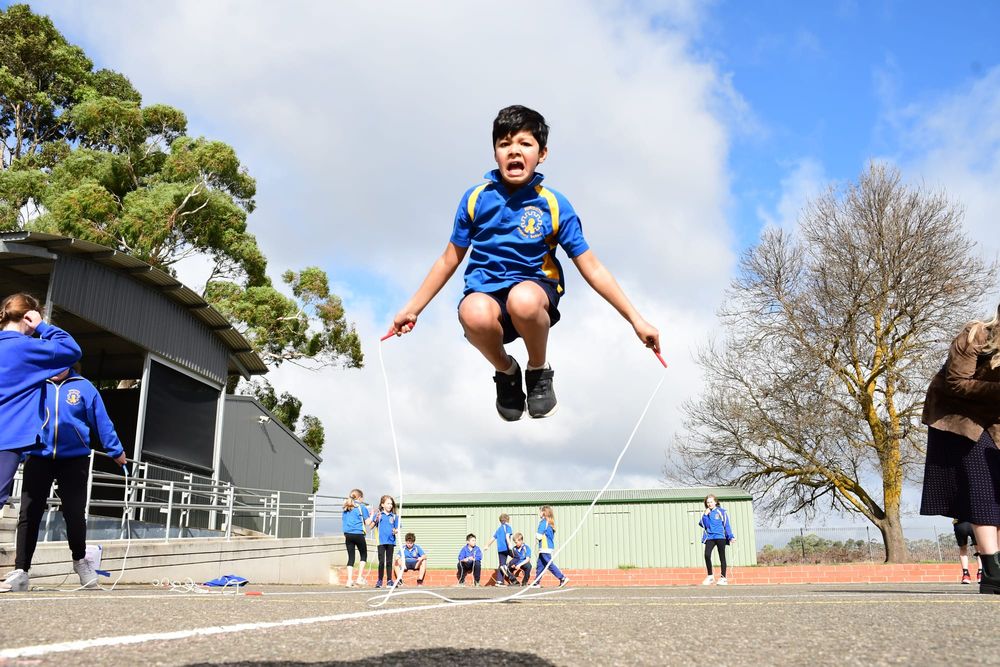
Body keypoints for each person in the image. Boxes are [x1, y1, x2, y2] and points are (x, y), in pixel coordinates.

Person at [390, 105, 660, 421]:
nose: (514, 151)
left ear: (542, 154)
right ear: (495, 153)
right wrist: (413, 308)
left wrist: (636, 320)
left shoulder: (554, 204)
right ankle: (506, 371)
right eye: (505, 144)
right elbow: (449, 258)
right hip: (487, 293)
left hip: (534, 291)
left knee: (523, 300)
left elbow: (593, 267)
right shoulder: (475, 199)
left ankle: (537, 369)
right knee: (473, 312)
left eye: (525, 144)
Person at [7, 366, 128, 592]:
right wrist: (17, 451)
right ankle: (21, 570)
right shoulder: (36, 384)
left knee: (74, 512)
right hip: (38, 456)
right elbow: (20, 415)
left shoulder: (84, 387)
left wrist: (115, 450)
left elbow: (101, 420)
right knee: (29, 513)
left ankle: (80, 561)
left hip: (74, 459)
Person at [0, 294, 82, 594]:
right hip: (7, 434)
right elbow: (71, 351)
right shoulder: (29, 347)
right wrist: (43, 327)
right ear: (28, 317)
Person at [920, 305, 1000, 595]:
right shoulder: (976, 334)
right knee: (983, 490)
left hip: (994, 423)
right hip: (959, 419)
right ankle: (992, 572)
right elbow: (956, 382)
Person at [698, 494, 735, 586]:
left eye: (711, 502)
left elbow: (726, 525)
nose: (709, 504)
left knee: (722, 557)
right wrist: (705, 515)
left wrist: (730, 536)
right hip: (710, 537)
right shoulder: (706, 513)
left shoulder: (721, 512)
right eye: (708, 502)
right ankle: (710, 576)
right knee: (707, 555)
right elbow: (704, 524)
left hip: (720, 537)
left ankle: (723, 578)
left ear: (715, 502)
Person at [341, 489, 372, 587]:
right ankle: (359, 578)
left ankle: (349, 580)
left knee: (351, 558)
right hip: (358, 533)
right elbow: (368, 523)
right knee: (363, 555)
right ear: (360, 498)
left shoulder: (346, 508)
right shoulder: (362, 507)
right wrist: (372, 515)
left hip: (348, 534)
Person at [532, 505, 568, 588]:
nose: (539, 513)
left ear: (544, 513)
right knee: (540, 565)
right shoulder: (549, 523)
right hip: (547, 546)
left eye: (540, 511)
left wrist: (536, 535)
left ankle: (562, 578)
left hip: (545, 546)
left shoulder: (544, 522)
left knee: (549, 564)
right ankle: (537, 582)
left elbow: (539, 536)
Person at [371, 495, 399, 589]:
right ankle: (379, 580)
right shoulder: (379, 515)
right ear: (382, 505)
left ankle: (389, 580)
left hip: (390, 541)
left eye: (391, 504)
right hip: (381, 541)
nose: (390, 505)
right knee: (381, 561)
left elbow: (397, 528)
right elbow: (371, 526)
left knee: (389, 561)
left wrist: (395, 531)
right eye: (388, 503)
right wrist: (376, 519)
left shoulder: (394, 516)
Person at [483, 512, 513, 586]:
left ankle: (499, 581)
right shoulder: (508, 527)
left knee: (501, 564)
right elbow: (507, 536)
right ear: (507, 520)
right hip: (506, 547)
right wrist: (509, 545)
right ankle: (507, 569)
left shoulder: (499, 529)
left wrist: (487, 546)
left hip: (500, 549)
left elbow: (493, 538)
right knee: (517, 557)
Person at [953, 519, 983, 584]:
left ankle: (965, 575)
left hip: (960, 524)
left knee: (963, 550)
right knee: (979, 551)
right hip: (974, 523)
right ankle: (980, 574)